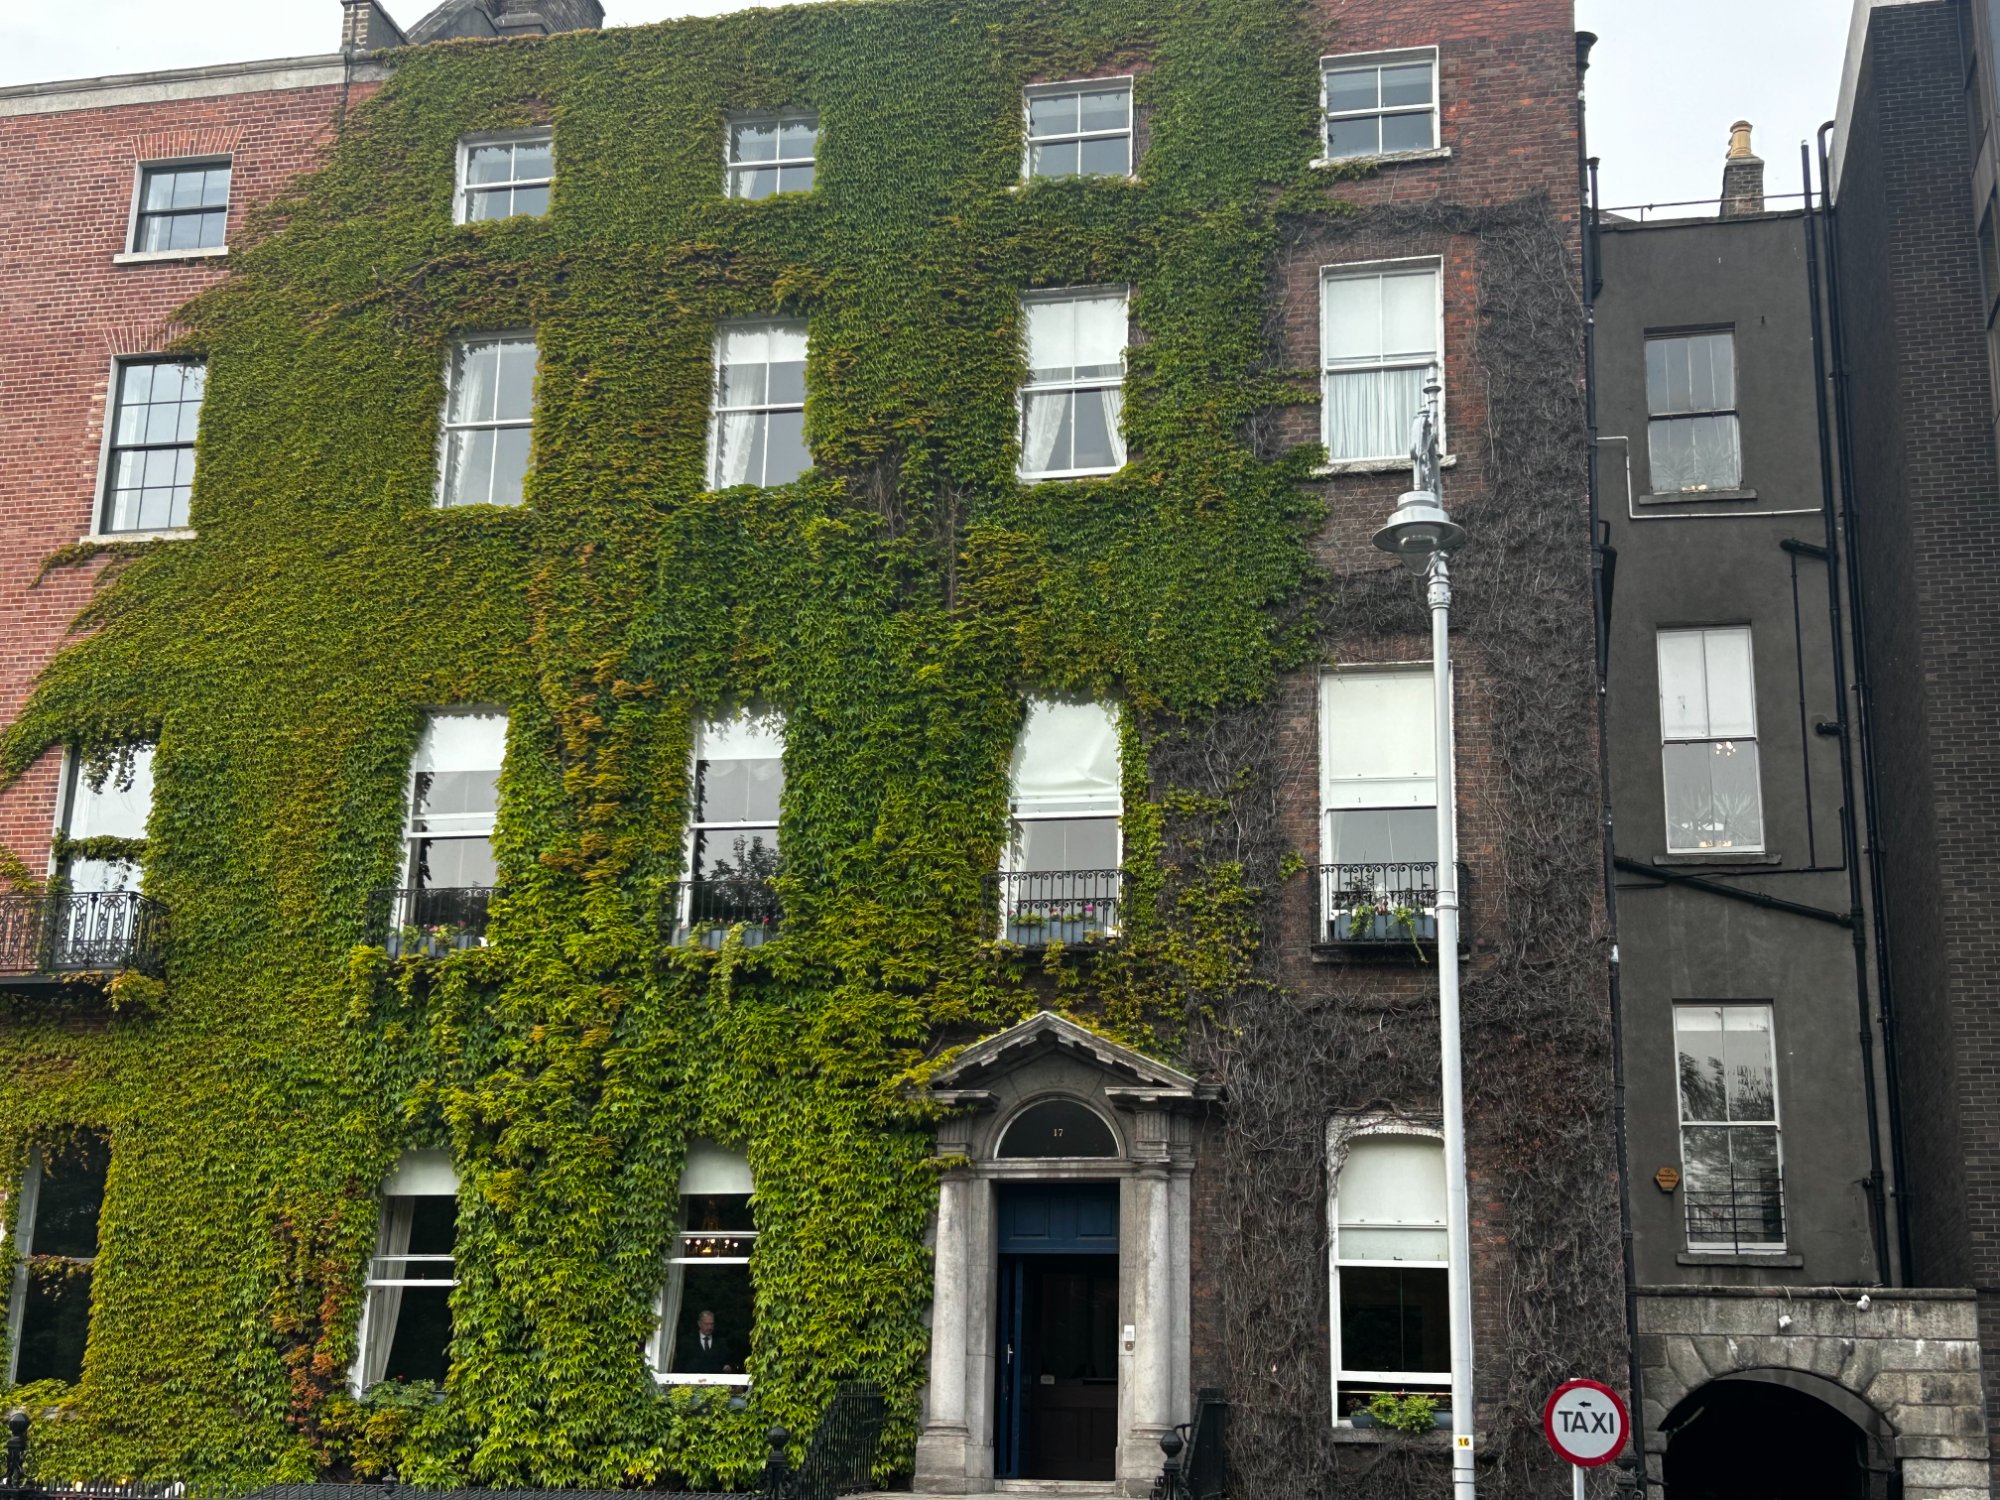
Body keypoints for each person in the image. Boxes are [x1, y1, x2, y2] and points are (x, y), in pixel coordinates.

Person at [680, 1308, 736, 1374]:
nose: (709, 1327)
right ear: (699, 1324)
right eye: (706, 1324)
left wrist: (728, 1367)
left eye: (711, 1324)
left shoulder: (721, 1343)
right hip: (693, 1379)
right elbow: (681, 1365)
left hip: (715, 1379)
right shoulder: (688, 1342)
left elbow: (730, 1362)